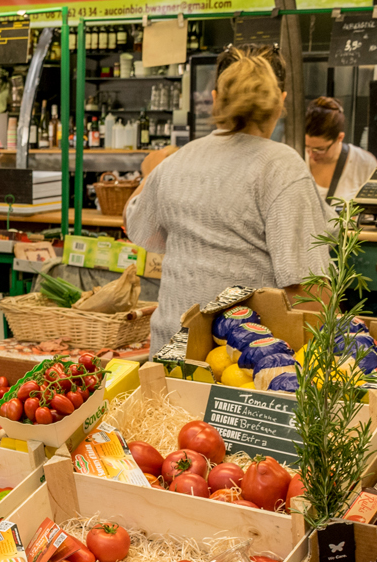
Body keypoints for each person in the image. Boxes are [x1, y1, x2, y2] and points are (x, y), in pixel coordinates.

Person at [124, 47, 329, 353]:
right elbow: (308, 289)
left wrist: (148, 173)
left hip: (170, 350)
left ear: (216, 99)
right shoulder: (281, 166)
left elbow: (133, 222)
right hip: (243, 361)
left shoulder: (178, 161)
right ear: (279, 103)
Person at [304, 97, 377, 213]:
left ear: (340, 138)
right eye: (307, 147)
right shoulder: (296, 158)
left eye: (320, 149)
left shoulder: (365, 163)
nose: (312, 155)